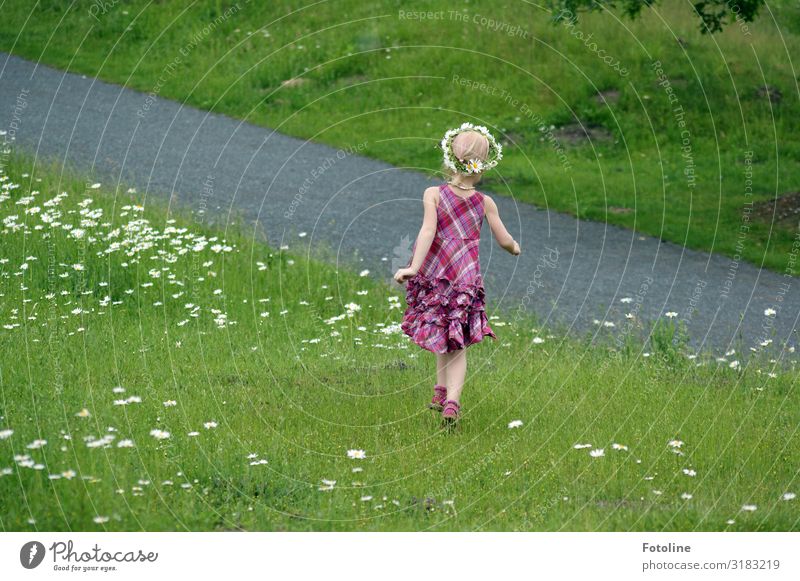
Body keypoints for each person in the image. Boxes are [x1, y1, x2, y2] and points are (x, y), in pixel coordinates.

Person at [393, 122, 521, 423]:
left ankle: (446, 395)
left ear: (449, 156)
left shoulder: (434, 194)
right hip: (464, 279)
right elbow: (503, 239)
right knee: (456, 340)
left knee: (441, 329)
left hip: (437, 274)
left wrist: (413, 266)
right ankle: (448, 397)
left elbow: (427, 231)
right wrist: (515, 247)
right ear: (484, 164)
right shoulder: (484, 202)